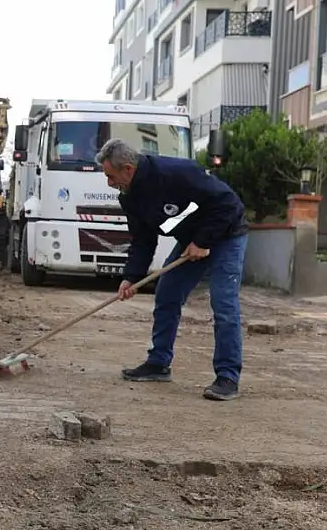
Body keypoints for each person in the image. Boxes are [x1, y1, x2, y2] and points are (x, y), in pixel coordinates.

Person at [96, 138, 248, 401]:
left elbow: (228, 203)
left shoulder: (176, 173)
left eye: (111, 176)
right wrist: (131, 277)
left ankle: (227, 376)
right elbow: (143, 239)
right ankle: (158, 363)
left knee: (223, 304)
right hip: (192, 239)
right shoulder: (130, 197)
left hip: (227, 233)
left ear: (128, 169)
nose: (109, 182)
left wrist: (203, 241)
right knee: (167, 293)